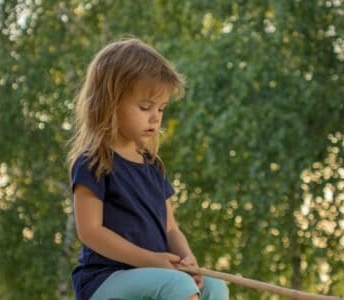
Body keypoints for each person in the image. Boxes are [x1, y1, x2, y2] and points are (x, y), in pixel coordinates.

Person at [67, 38, 229, 300]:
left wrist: (189, 261)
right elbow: (90, 232)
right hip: (104, 281)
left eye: (161, 108)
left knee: (214, 287)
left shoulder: (153, 167)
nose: (155, 116)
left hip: (154, 273)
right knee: (176, 286)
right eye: (145, 107)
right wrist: (151, 260)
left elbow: (170, 230)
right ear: (110, 102)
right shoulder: (93, 161)